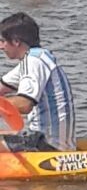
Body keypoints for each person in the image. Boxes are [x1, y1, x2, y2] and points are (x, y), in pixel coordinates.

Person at [0, 13, 76, 152]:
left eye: (3, 41)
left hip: (48, 145)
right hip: (42, 139)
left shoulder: (34, 62)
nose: (1, 46)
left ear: (16, 41)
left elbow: (24, 104)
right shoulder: (39, 57)